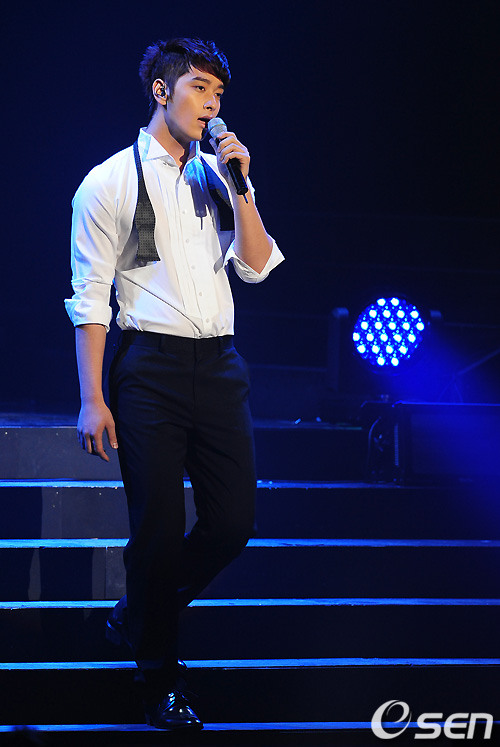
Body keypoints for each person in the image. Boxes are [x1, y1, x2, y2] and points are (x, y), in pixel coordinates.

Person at [65, 37, 284, 731]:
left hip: (220, 367)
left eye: (218, 93)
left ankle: (137, 612)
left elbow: (256, 265)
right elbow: (90, 297)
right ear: (161, 92)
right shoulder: (108, 181)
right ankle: (159, 678)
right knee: (156, 533)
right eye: (198, 88)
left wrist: (242, 186)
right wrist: (92, 397)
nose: (210, 104)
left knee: (233, 523)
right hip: (149, 370)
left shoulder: (220, 176)